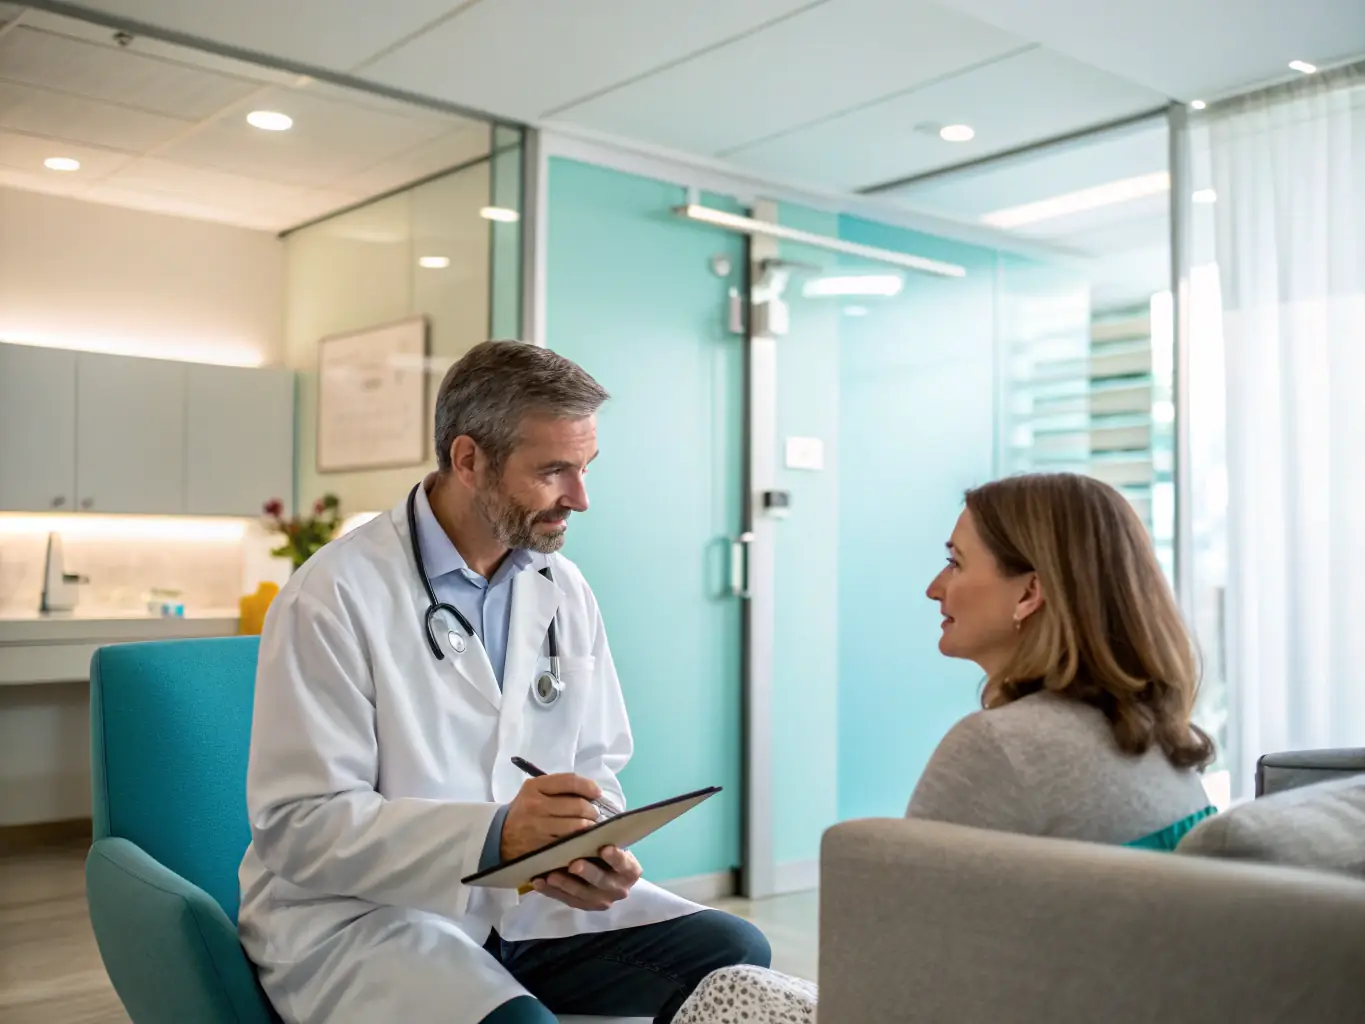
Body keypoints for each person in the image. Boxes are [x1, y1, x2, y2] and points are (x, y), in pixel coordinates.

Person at [238, 340, 770, 1024]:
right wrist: (495, 837)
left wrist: (590, 848)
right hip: (367, 917)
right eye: (552, 471)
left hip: (526, 905)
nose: (579, 498)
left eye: (585, 468)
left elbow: (595, 763)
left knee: (732, 956)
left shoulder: (561, 587)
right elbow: (299, 826)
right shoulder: (334, 594)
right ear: (468, 460)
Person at [671, 471, 1217, 1024]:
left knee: (730, 988)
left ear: (1029, 592)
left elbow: (891, 984)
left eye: (956, 561)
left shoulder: (1000, 747)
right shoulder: (1165, 742)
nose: (935, 587)